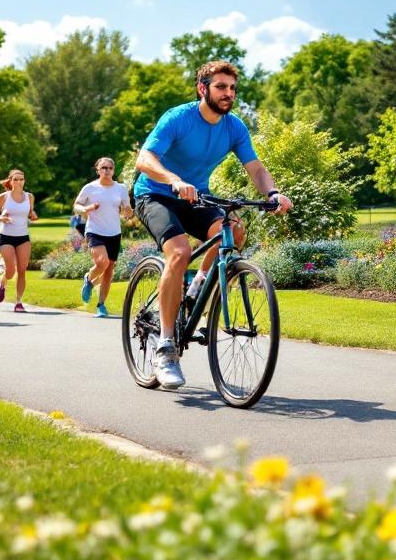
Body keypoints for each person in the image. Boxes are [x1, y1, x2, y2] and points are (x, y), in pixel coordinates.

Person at [132, 60, 293, 389]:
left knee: (233, 230)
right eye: (221, 87)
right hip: (155, 194)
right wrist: (174, 180)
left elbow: (256, 169)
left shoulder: (234, 127)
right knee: (178, 252)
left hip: (196, 197)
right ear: (202, 88)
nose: (228, 94)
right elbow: (144, 160)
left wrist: (274, 192)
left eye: (232, 88)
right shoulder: (179, 118)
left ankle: (195, 288)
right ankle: (165, 347)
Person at [73, 157, 132, 318]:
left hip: (114, 232)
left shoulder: (121, 188)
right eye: (104, 167)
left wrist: (128, 211)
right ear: (98, 170)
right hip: (94, 230)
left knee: (108, 271)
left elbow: (127, 208)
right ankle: (89, 278)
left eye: (110, 168)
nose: (107, 170)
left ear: (114, 170)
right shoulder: (90, 188)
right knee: (102, 262)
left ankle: (101, 305)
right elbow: (76, 206)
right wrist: (86, 207)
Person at [0, 169, 37, 312]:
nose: (19, 182)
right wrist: (1, 218)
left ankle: (18, 302)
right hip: (6, 236)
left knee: (22, 270)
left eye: (21, 179)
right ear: (10, 181)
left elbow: (30, 212)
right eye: (16, 179)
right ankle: (2, 281)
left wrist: (32, 215)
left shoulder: (29, 197)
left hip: (23, 237)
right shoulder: (3, 197)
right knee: (10, 271)